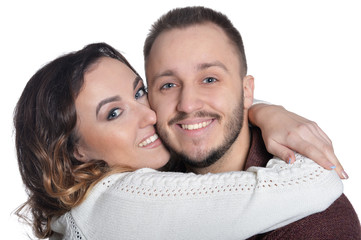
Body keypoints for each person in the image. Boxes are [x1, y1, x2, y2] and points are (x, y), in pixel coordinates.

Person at [14, 43, 343, 240]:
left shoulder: (89, 207)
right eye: (114, 113)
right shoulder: (118, 203)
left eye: (139, 92)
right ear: (75, 150)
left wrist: (264, 110)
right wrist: (264, 111)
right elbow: (315, 183)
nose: (150, 116)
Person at [143, 6, 360, 238]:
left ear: (246, 91)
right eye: (168, 85)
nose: (187, 105)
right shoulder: (140, 174)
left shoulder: (315, 222)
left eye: (209, 79)